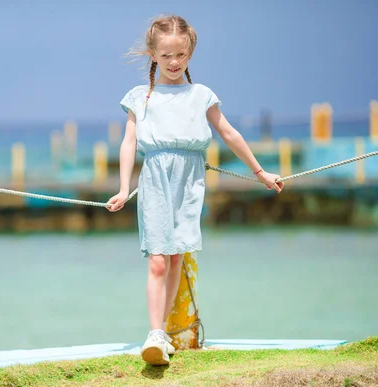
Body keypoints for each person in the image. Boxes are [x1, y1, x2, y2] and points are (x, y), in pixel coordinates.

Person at [106, 14, 284, 366]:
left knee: (176, 257)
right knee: (158, 259)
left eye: (182, 55)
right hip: (155, 178)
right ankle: (155, 333)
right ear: (153, 54)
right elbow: (129, 142)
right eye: (167, 55)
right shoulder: (139, 97)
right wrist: (125, 188)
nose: (174, 62)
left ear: (190, 54)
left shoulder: (201, 95)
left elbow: (229, 133)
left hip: (189, 182)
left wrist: (260, 172)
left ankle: (166, 336)